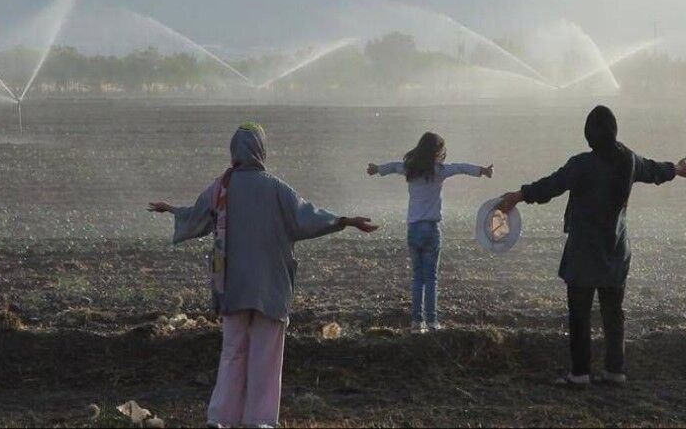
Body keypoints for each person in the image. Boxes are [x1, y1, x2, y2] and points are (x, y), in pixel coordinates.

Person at [148, 122, 378, 428]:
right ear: (261, 150)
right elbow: (306, 217)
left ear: (234, 152)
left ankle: (220, 418)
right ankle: (260, 420)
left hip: (233, 287)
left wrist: (172, 210)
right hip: (271, 287)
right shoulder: (276, 188)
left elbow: (197, 215)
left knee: (232, 352)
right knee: (266, 356)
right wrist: (344, 221)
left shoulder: (221, 188)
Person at [496, 105, 686, 386]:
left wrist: (518, 196)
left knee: (579, 314)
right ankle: (615, 371)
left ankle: (579, 374)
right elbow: (654, 170)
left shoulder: (581, 164)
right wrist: (676, 168)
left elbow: (551, 186)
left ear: (589, 136)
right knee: (613, 313)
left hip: (583, 252)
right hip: (616, 250)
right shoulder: (628, 160)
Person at [367, 131, 493, 334]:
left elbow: (392, 166)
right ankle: (432, 323)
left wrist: (376, 169)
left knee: (417, 277)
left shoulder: (410, 169)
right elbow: (460, 167)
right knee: (431, 277)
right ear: (437, 152)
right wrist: (482, 171)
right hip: (431, 229)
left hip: (413, 228)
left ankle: (417, 323)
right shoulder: (440, 170)